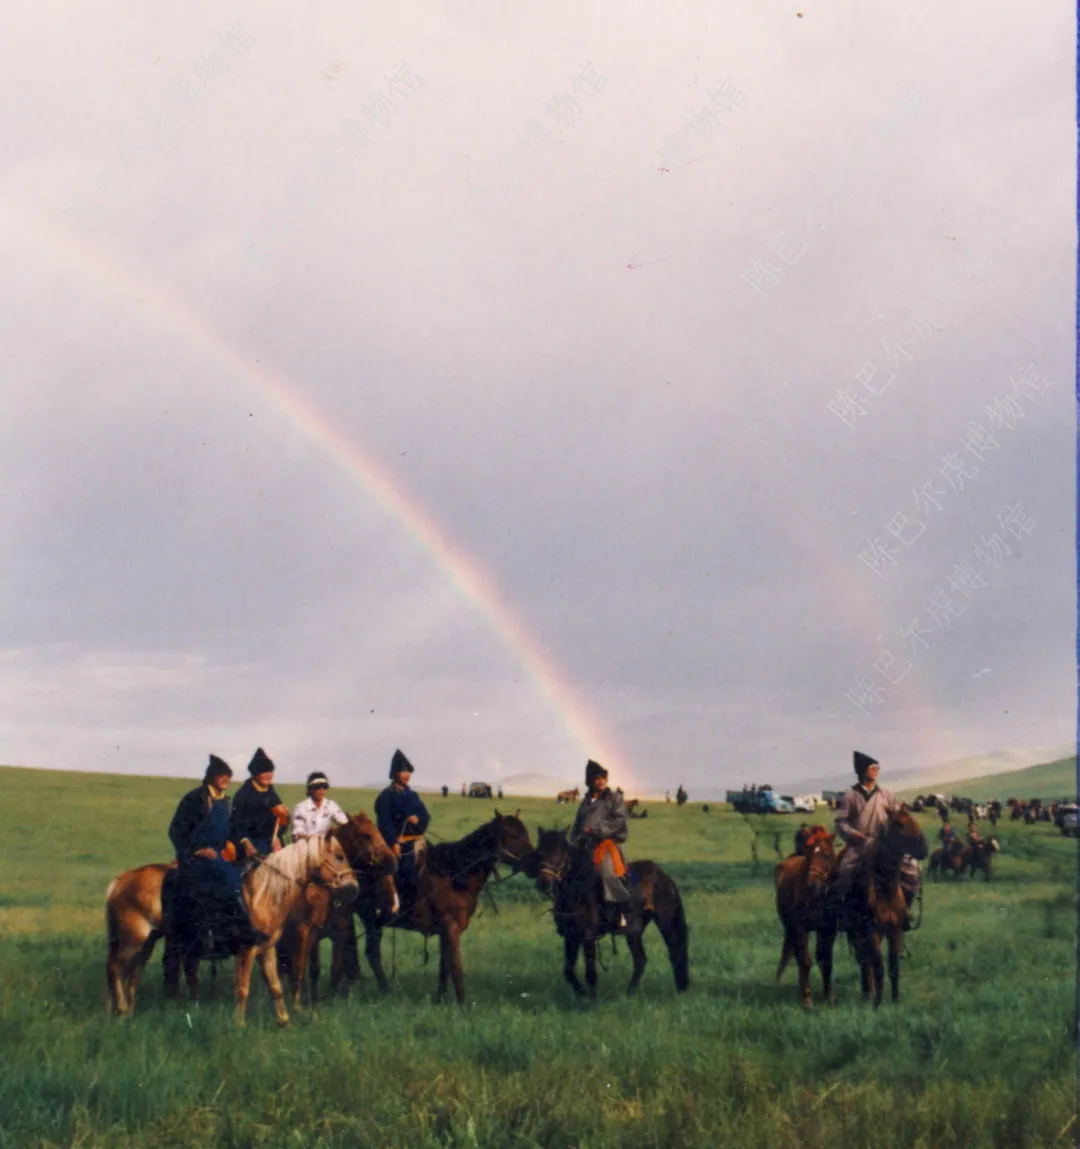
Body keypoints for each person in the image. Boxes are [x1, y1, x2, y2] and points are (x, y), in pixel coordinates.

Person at [166, 754, 264, 951]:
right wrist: (197, 850)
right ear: (211, 777)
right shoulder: (196, 799)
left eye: (228, 776)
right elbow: (176, 829)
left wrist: (245, 843)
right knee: (230, 875)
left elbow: (232, 829)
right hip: (197, 857)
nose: (226, 780)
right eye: (221, 776)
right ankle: (245, 929)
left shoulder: (225, 801)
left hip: (220, 853)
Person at [830, 752, 920, 931]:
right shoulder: (850, 795)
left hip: (885, 846)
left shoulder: (886, 794)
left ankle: (904, 911)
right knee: (845, 871)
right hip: (860, 845)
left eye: (877, 768)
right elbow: (841, 822)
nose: (876, 771)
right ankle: (844, 914)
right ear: (863, 770)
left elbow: (896, 817)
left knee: (913, 869)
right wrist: (855, 835)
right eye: (873, 768)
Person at [569, 759, 642, 933]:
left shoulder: (615, 798)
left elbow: (619, 821)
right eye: (597, 778)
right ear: (590, 781)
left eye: (603, 778)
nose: (601, 781)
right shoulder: (585, 802)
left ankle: (624, 913)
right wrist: (575, 839)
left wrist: (596, 829)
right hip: (587, 846)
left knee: (606, 873)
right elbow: (577, 826)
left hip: (608, 845)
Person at [375, 749, 431, 908]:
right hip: (397, 845)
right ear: (395, 773)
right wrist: (393, 843)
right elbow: (385, 822)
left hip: (416, 842)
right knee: (406, 875)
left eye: (409, 772)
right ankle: (403, 909)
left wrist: (418, 819)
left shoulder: (413, 795)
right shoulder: (386, 796)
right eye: (403, 771)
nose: (407, 775)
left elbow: (425, 816)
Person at [230, 747, 289, 858]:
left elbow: (280, 819)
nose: (268, 775)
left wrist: (283, 819)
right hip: (252, 841)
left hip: (272, 839)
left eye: (270, 771)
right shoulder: (243, 795)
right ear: (255, 774)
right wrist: (247, 844)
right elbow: (237, 825)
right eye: (264, 772)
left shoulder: (270, 791)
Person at [291, 771, 349, 840]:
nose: (321, 790)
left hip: (325, 844)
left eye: (324, 786)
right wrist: (318, 838)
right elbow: (297, 835)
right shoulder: (300, 808)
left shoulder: (331, 805)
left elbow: (345, 823)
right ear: (310, 789)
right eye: (317, 787)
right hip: (306, 844)